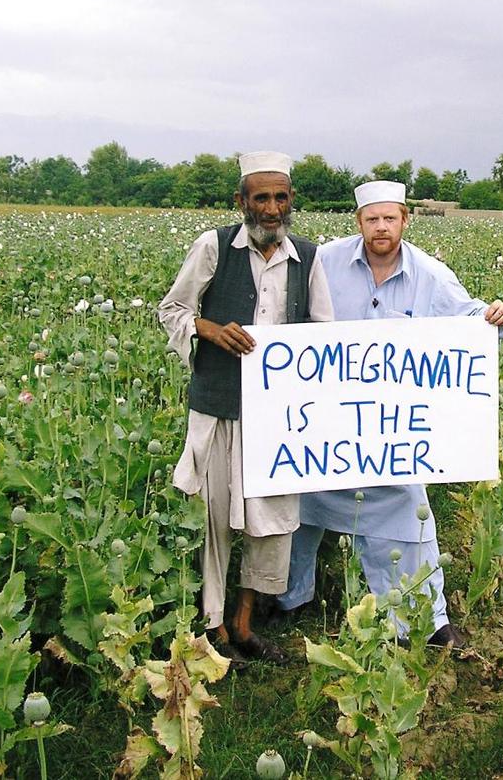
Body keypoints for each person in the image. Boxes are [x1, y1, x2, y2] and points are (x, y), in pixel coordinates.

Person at [275, 179, 503, 647]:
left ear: (405, 219)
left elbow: (471, 321)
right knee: (299, 502)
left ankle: (424, 619)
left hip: (393, 430)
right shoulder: (324, 261)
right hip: (328, 419)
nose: (380, 228)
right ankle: (288, 598)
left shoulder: (430, 273)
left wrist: (496, 318)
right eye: (371, 219)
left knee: (408, 510)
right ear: (358, 222)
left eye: (389, 218)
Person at [158, 151, 332, 665]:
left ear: (291, 202)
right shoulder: (214, 247)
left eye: (280, 197)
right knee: (214, 519)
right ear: (242, 202)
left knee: (272, 520)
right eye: (261, 197)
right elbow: (172, 308)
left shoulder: (308, 256)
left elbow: (325, 332)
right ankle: (211, 627)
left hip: (280, 418)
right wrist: (208, 329)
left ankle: (244, 622)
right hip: (220, 407)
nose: (272, 207)